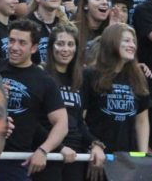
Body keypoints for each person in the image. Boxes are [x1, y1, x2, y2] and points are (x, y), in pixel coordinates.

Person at [0, 19, 68, 181]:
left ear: (34, 48)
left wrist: (43, 150)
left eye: (22, 43)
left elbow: (62, 124)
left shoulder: (44, 80)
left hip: (15, 160)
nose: (14, 47)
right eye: (11, 41)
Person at [42, 23, 105, 181]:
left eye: (71, 44)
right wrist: (59, 147)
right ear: (51, 47)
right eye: (60, 43)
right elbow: (36, 120)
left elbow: (78, 122)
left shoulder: (80, 80)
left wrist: (94, 143)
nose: (65, 49)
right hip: (48, 151)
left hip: (76, 153)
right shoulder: (41, 74)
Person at [82, 23, 150, 153]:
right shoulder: (90, 74)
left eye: (133, 41)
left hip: (128, 159)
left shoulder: (138, 77)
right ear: (111, 42)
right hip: (97, 156)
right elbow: (81, 118)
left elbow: (142, 121)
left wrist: (143, 155)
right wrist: (93, 144)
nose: (132, 45)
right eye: (126, 41)